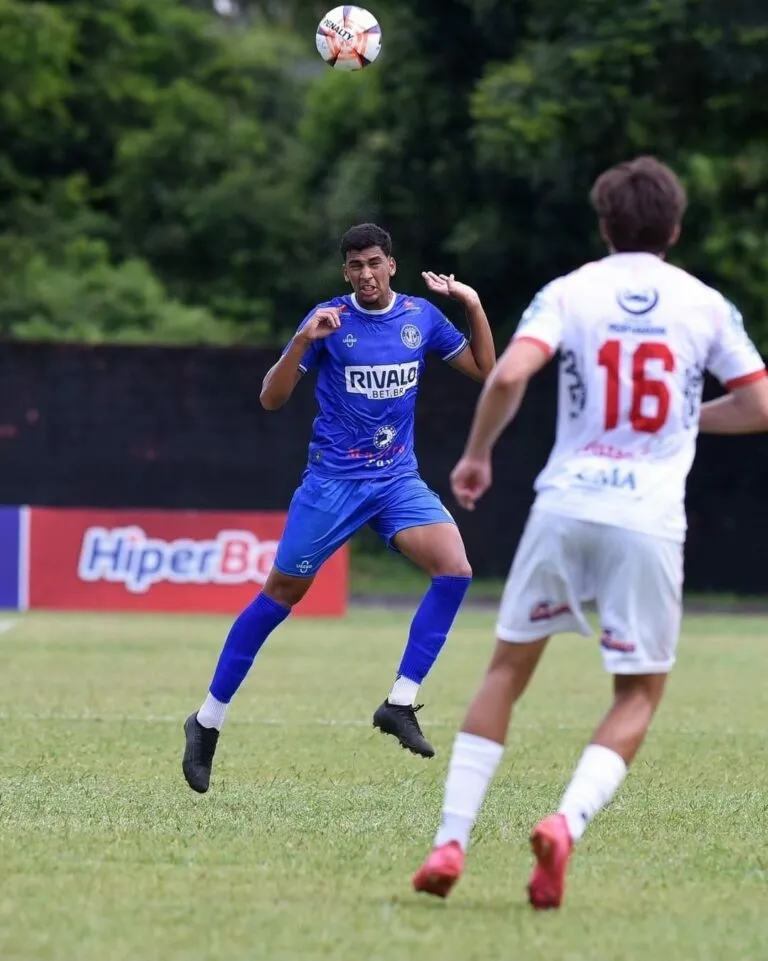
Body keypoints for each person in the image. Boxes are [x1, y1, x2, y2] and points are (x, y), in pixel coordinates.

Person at [412, 156, 768, 908]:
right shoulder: (705, 304)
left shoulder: (570, 291)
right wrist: (683, 417)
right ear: (674, 227)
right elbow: (759, 404)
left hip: (566, 504)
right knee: (638, 691)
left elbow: (508, 375)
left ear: (604, 225)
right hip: (647, 518)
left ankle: (451, 838)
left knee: (506, 671)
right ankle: (564, 822)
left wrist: (477, 455)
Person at [182, 222, 496, 793]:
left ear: (391, 265)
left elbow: (485, 371)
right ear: (345, 271)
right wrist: (303, 340)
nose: (366, 275)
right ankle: (207, 721)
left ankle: (400, 702)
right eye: (355, 266)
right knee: (281, 596)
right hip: (333, 484)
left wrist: (472, 303)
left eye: (374, 262)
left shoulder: (421, 318)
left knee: (455, 570)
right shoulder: (327, 320)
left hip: (397, 479)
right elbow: (271, 399)